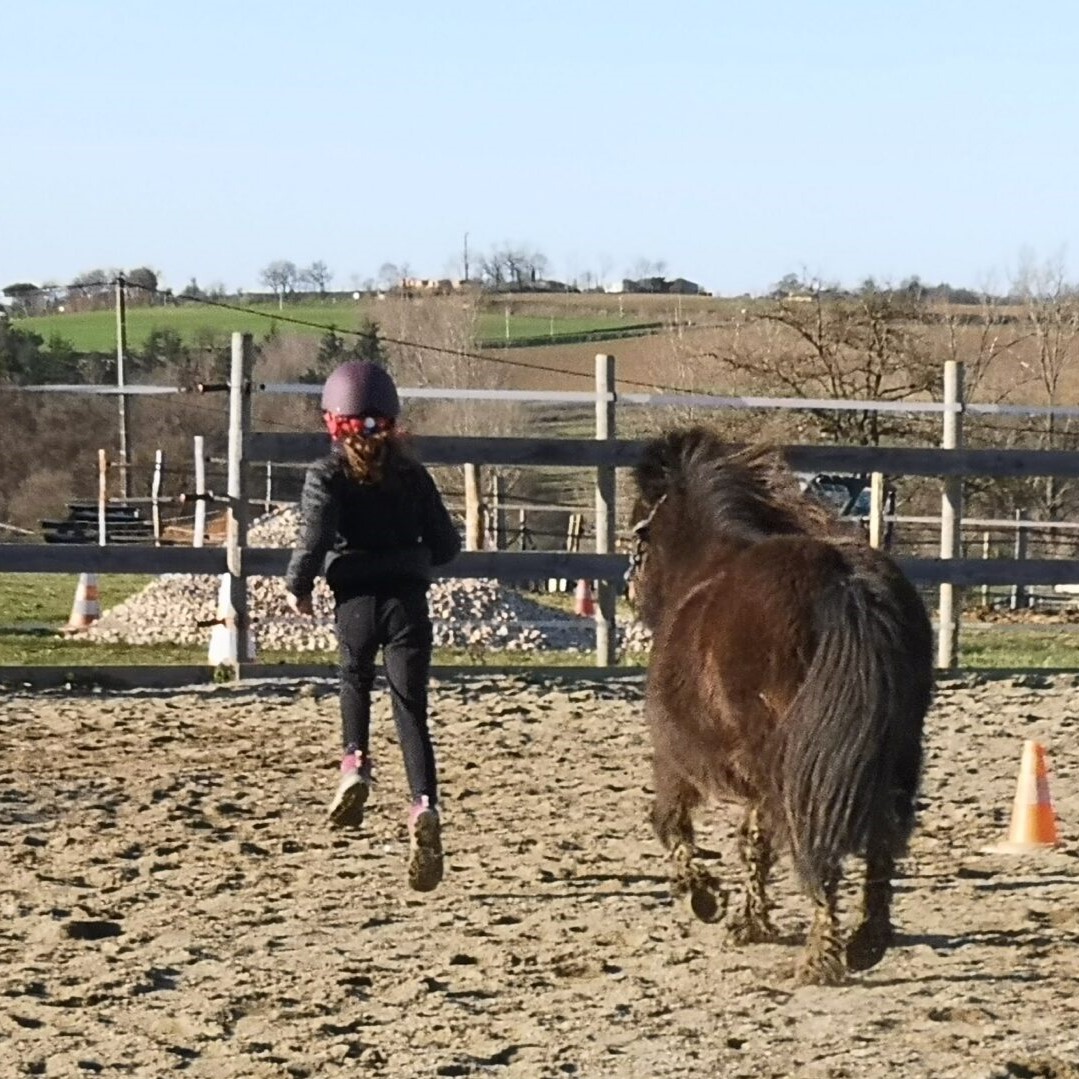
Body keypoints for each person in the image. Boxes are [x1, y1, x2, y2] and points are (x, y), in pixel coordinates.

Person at [285, 360, 462, 892]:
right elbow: (448, 544)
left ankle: (355, 764)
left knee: (354, 678)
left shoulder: (327, 475)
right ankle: (423, 806)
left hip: (355, 598)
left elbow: (313, 539)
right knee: (412, 710)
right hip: (408, 601)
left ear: (331, 420)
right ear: (391, 419)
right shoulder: (413, 474)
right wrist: (417, 556)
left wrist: (298, 585)